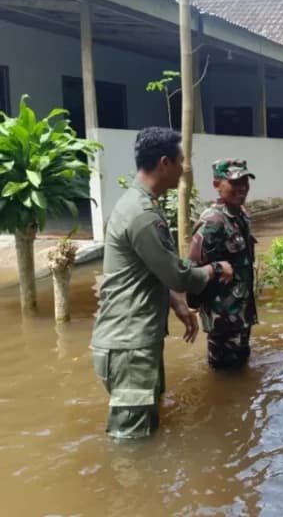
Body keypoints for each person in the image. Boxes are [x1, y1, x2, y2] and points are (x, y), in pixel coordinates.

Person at [91, 127, 233, 440]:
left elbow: (147, 271)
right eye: (181, 161)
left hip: (132, 342)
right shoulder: (142, 215)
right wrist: (214, 269)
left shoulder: (137, 204)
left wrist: (175, 302)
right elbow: (179, 276)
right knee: (132, 443)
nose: (184, 168)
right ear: (164, 163)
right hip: (129, 346)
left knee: (147, 431)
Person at [188, 159, 258, 371]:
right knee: (225, 373)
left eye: (245, 181)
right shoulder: (213, 222)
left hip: (242, 312)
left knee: (241, 368)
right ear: (216, 184)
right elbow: (192, 271)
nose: (242, 187)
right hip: (223, 318)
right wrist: (194, 308)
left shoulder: (241, 215)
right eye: (235, 182)